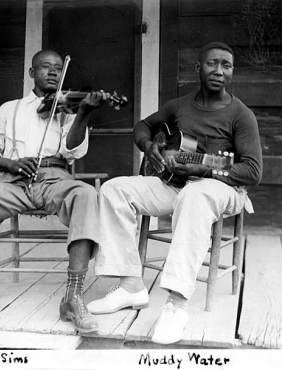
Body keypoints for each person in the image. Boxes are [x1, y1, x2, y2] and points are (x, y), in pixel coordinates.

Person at [87, 42, 262, 344]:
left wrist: (204, 171)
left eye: (226, 65)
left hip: (223, 187)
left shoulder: (240, 114)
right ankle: (130, 285)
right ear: (198, 67)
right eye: (212, 64)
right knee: (115, 189)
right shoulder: (179, 105)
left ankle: (176, 305)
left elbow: (252, 171)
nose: (219, 71)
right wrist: (149, 147)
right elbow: (143, 126)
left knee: (195, 197)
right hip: (175, 184)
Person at [0, 49, 107, 340]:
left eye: (58, 69)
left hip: (54, 179)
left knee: (84, 194)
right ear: (31, 73)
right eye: (45, 67)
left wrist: (83, 111)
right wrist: (9, 163)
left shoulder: (68, 109)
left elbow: (74, 151)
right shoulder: (10, 109)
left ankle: (72, 298)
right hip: (13, 182)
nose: (53, 72)